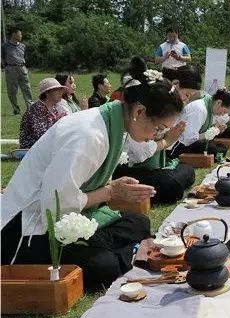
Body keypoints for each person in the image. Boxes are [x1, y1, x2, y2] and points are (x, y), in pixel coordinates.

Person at [1, 61, 184, 291]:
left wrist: (111, 186)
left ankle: (121, 247)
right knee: (104, 267)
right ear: (139, 111)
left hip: (69, 213)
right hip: (27, 229)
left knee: (139, 222)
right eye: (159, 129)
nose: (158, 135)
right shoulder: (89, 135)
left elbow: (80, 184)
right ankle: (124, 250)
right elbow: (55, 204)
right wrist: (110, 191)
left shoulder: (113, 125)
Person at [113, 63, 198, 204]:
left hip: (146, 166)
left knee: (186, 170)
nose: (187, 100)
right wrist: (166, 141)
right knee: (171, 185)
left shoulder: (135, 118)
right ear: (139, 111)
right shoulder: (122, 119)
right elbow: (138, 152)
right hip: (129, 168)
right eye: (187, 95)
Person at [169, 89, 230, 159]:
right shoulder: (200, 109)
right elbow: (189, 139)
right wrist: (212, 132)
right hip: (179, 144)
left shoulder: (209, 107)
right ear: (219, 102)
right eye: (224, 111)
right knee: (215, 150)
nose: (222, 115)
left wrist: (216, 129)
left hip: (189, 141)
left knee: (221, 147)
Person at [19, 78, 67, 149]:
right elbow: (41, 135)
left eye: (60, 90)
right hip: (31, 148)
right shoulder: (36, 109)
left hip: (47, 147)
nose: (60, 93)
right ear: (47, 93)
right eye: (57, 90)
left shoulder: (54, 109)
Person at [1, 27, 34, 115]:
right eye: (19, 34)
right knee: (12, 91)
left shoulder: (23, 46)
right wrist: (7, 67)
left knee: (27, 89)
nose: (21, 36)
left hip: (22, 68)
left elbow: (25, 57)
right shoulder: (4, 46)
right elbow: (2, 58)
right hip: (10, 69)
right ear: (13, 34)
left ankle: (30, 109)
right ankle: (16, 110)